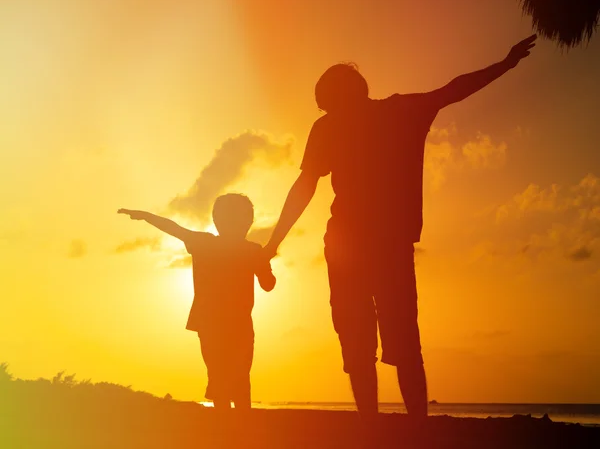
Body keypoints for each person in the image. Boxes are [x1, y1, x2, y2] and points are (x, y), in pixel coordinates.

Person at [264, 35, 537, 424]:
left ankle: (409, 424)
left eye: (329, 101)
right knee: (365, 337)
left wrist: (505, 64)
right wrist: (274, 240)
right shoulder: (344, 124)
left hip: (380, 243)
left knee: (396, 337)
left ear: (344, 94)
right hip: (353, 242)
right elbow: (306, 184)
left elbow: (453, 90)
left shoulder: (394, 112)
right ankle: (382, 424)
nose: (329, 110)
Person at [118, 193, 276, 411]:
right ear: (248, 222)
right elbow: (269, 284)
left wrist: (146, 216)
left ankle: (230, 423)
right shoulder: (247, 250)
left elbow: (173, 228)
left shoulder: (210, 244)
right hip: (228, 325)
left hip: (216, 324)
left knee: (223, 376)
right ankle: (238, 423)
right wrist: (267, 259)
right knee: (236, 376)